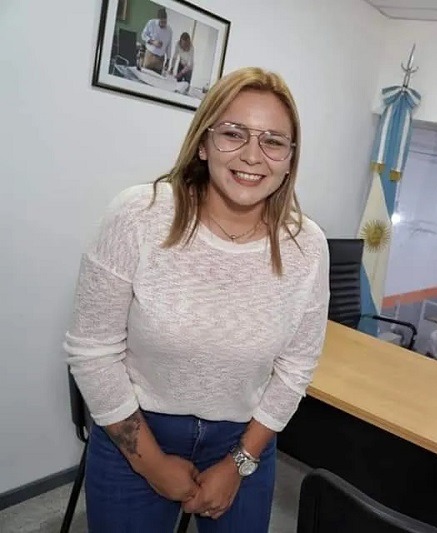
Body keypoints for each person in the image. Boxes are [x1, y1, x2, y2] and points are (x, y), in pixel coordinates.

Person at [64, 67, 329, 532]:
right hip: (136, 428)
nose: (252, 155)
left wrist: (240, 463)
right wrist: (151, 464)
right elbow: (93, 352)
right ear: (203, 143)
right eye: (233, 133)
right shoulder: (139, 215)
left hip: (245, 437)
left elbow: (295, 368)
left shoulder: (306, 246)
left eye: (273, 141)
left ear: (290, 160)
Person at [140, 7, 172, 73]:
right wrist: (153, 42)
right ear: (158, 19)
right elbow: (143, 35)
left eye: (165, 22)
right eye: (161, 22)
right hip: (149, 56)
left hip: (160, 60)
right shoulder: (151, 23)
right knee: (145, 75)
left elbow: (169, 46)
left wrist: (168, 60)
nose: (163, 24)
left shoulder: (169, 30)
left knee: (157, 78)